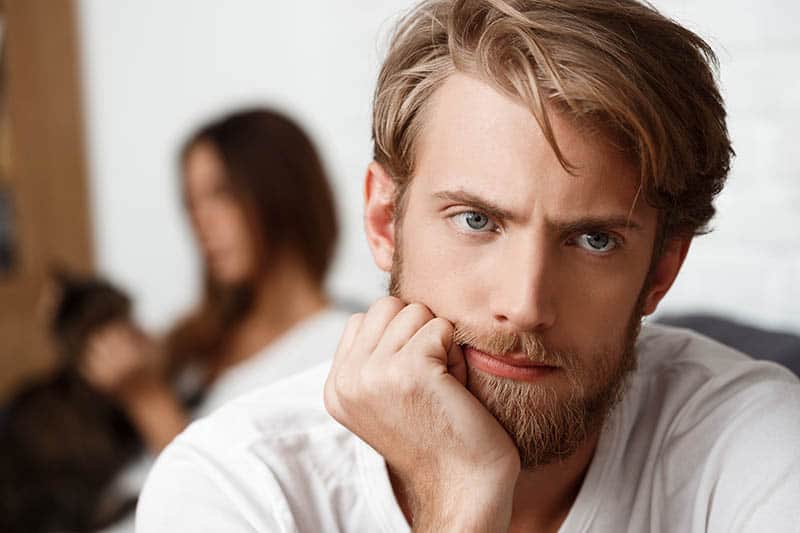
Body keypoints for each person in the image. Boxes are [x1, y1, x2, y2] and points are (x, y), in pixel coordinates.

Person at [136, 1, 800, 532]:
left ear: (661, 270)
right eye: (476, 220)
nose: (526, 302)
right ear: (383, 223)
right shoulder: (237, 486)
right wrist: (461, 497)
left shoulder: (754, 446)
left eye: (593, 239)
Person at [84, 108, 347, 531]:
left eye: (221, 194)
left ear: (279, 190)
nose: (201, 222)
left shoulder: (336, 351)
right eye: (191, 203)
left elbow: (232, 501)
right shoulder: (199, 338)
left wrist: (147, 399)